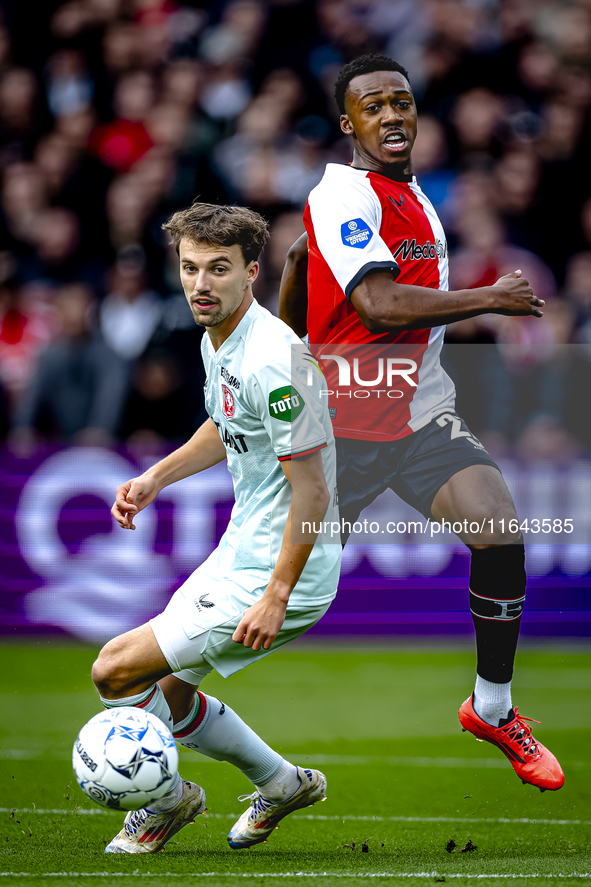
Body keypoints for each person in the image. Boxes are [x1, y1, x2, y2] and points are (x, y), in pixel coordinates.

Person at [278, 54, 564, 793]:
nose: (392, 114)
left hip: (416, 416)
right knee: (262, 608)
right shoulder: (345, 194)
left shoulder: (409, 196)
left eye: (401, 101)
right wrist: (487, 297)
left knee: (497, 525)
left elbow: (308, 269)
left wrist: (296, 288)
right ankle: (164, 710)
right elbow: (376, 305)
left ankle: (491, 706)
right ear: (349, 124)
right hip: (338, 433)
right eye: (373, 106)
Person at [92, 202, 341, 853]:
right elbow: (223, 422)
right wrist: (157, 477)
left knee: (114, 671)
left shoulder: (274, 360)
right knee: (169, 692)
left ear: (251, 271)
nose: (200, 283)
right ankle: (282, 783)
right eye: (189, 267)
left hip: (280, 566)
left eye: (218, 269)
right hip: (243, 549)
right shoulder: (219, 339)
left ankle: (167, 798)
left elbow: (311, 489)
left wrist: (277, 592)